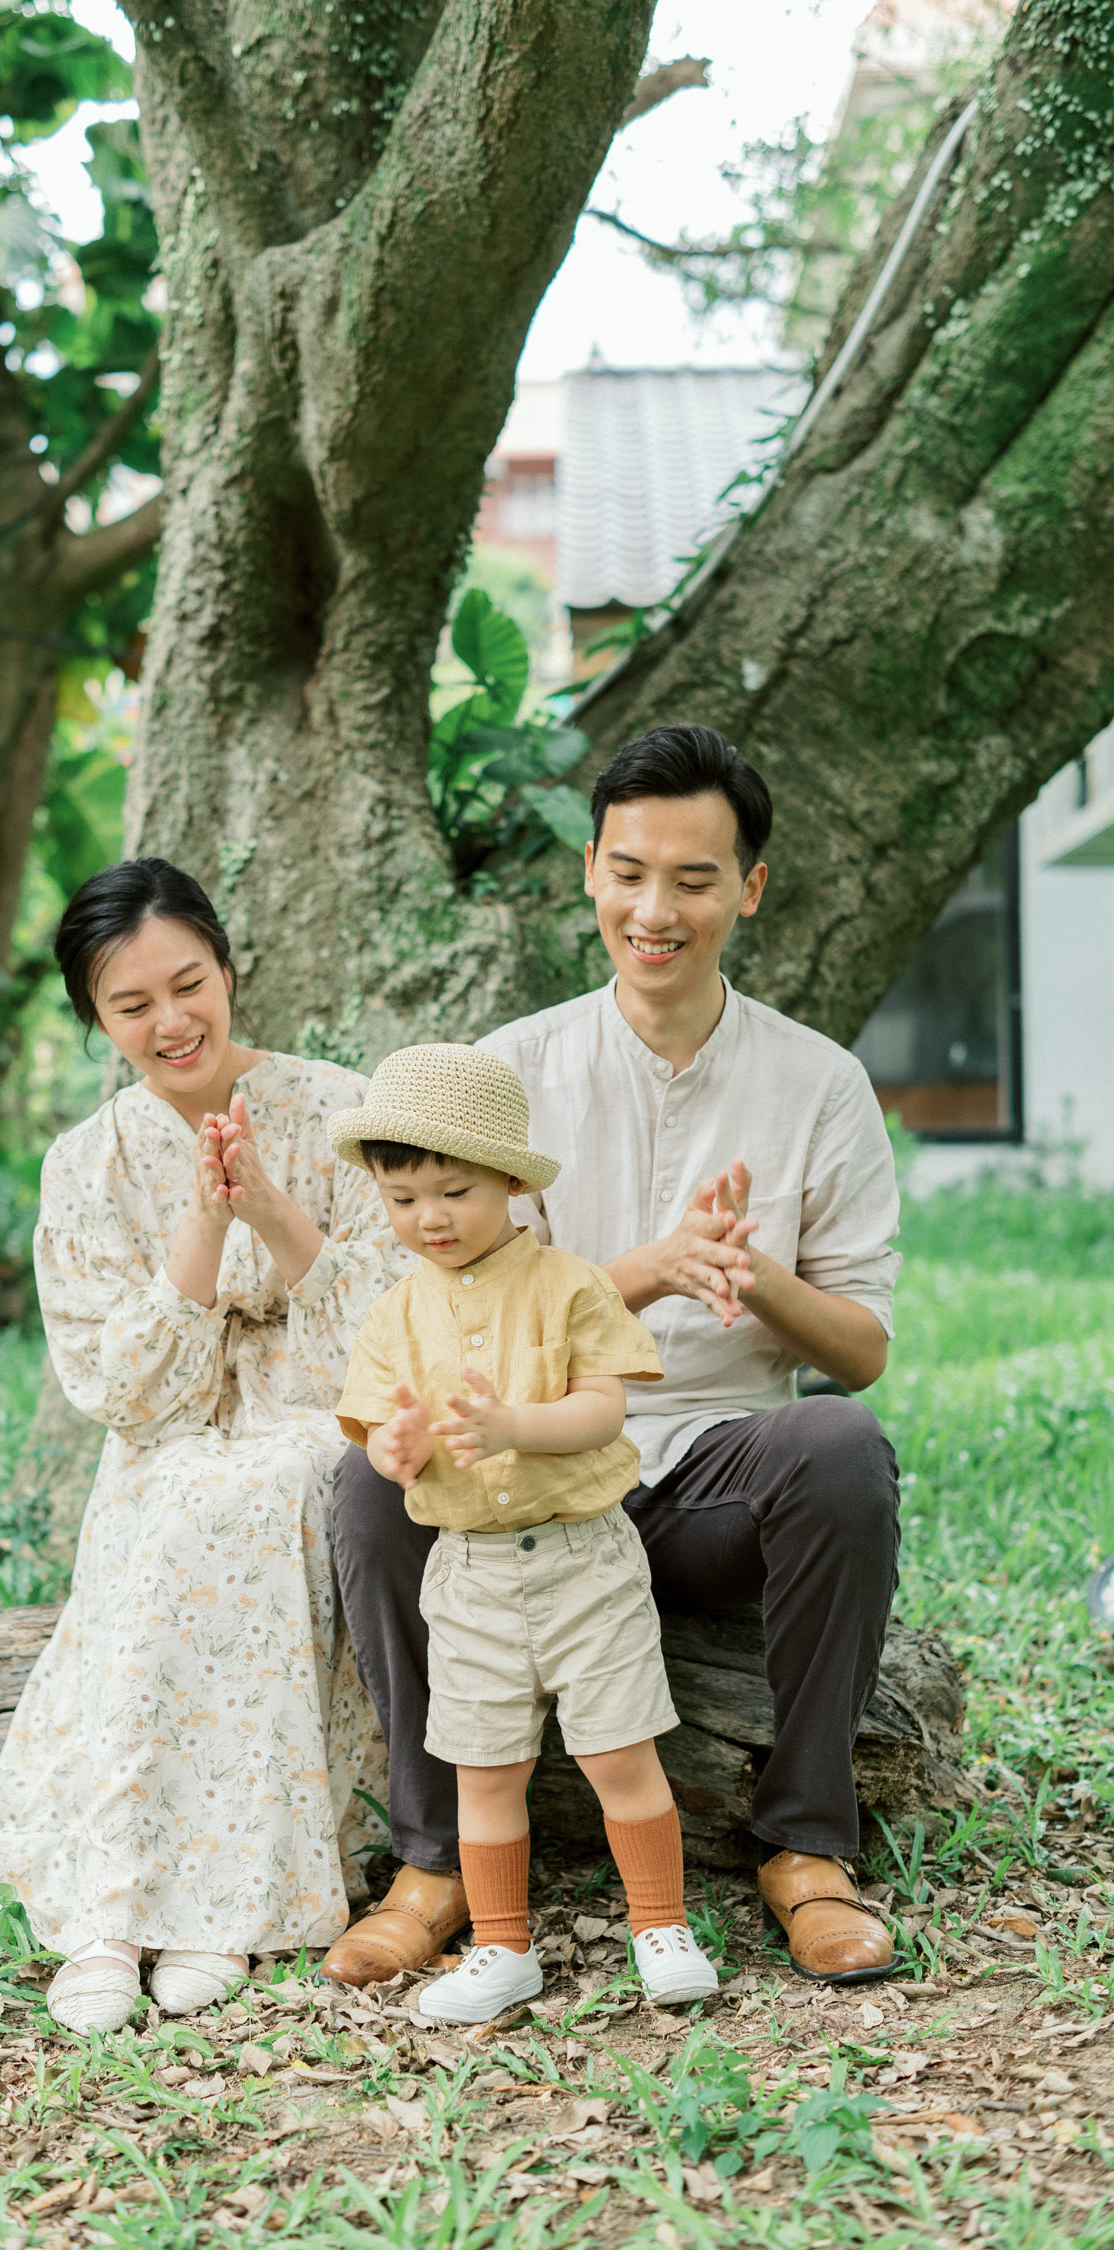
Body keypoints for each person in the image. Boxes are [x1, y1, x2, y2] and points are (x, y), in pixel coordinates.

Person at [326, 725, 903, 1991]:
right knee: (368, 1485)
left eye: (695, 879)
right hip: (523, 1475)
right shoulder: (510, 1073)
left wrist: (755, 1279)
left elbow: (858, 1353)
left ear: (749, 888)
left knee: (842, 1448)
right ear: (590, 870)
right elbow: (447, 1287)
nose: (657, 909)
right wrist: (650, 1265)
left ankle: (806, 1849)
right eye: (630, 873)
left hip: (706, 1483)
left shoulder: (820, 1083)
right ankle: (434, 1866)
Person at [0, 859, 407, 2033]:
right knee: (175, 1501)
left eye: (188, 985)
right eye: (132, 1007)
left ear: (228, 972)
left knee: (254, 1496)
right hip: (168, 1449)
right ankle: (114, 1912)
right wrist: (198, 1219)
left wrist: (269, 1205)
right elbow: (126, 1393)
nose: (171, 1021)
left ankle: (219, 1906)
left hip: (310, 1430)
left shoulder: (344, 1112)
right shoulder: (84, 1166)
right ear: (96, 1020)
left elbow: (389, 1335)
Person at [326, 1043, 721, 2021]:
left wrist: (513, 1428)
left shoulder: (570, 1284)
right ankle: (503, 1948)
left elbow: (603, 1410)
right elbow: (378, 1436)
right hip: (470, 1574)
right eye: (404, 1198)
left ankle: (660, 1924)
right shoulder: (394, 1315)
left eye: (454, 1191)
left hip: (585, 1558)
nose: (431, 1219)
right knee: (485, 1764)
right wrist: (399, 1448)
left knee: (619, 1751)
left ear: (510, 1179)